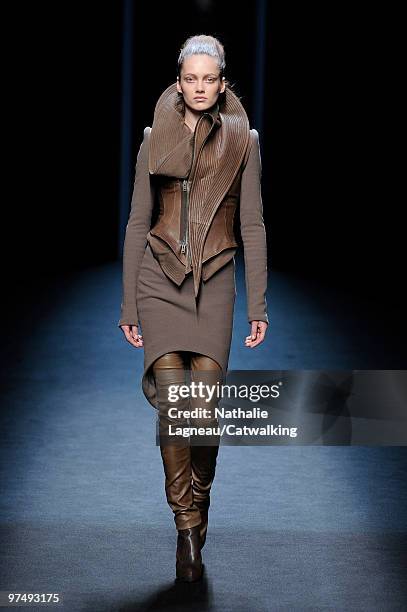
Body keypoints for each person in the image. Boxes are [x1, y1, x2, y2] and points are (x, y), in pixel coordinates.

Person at [118, 34, 269, 582]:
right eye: (191, 79)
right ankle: (186, 526)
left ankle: (198, 502)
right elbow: (138, 221)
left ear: (223, 82)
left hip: (217, 281)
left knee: (201, 411)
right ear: (178, 83)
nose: (200, 88)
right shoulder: (154, 138)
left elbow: (252, 223)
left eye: (210, 79)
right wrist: (129, 304)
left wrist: (260, 302)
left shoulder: (244, 142)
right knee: (173, 406)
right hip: (158, 279)